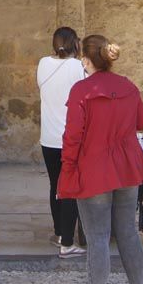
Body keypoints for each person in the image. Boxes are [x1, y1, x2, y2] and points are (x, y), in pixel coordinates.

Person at [58, 35, 143, 284]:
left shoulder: (82, 90)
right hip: (126, 166)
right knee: (128, 232)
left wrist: (68, 169)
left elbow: (72, 136)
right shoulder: (128, 85)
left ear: (86, 60)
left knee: (98, 236)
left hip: (95, 167)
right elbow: (141, 122)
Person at [37, 26, 86, 258]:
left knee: (55, 185)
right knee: (70, 188)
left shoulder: (43, 63)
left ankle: (59, 233)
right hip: (70, 137)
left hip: (48, 137)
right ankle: (68, 242)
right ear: (75, 43)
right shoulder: (77, 67)